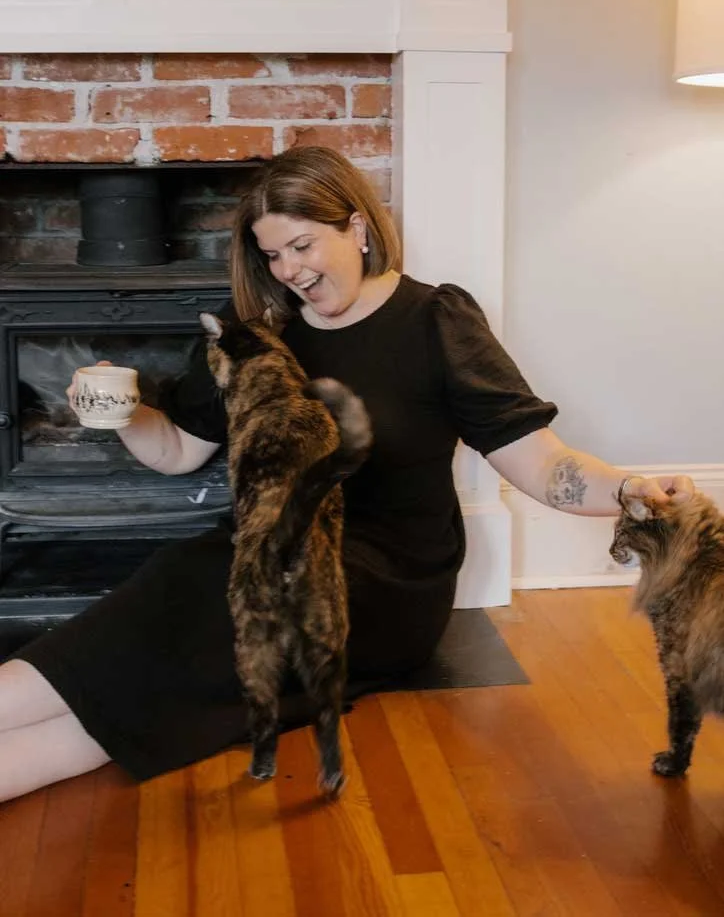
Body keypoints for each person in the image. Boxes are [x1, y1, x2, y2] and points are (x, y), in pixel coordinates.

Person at [0, 146, 693, 804]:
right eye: (273, 255)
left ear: (357, 228)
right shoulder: (258, 332)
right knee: (167, 653)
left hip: (382, 580)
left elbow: (541, 462)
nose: (289, 270)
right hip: (263, 552)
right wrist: (121, 413)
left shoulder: (434, 320)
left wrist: (627, 490)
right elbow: (179, 449)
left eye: (302, 246)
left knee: (197, 622)